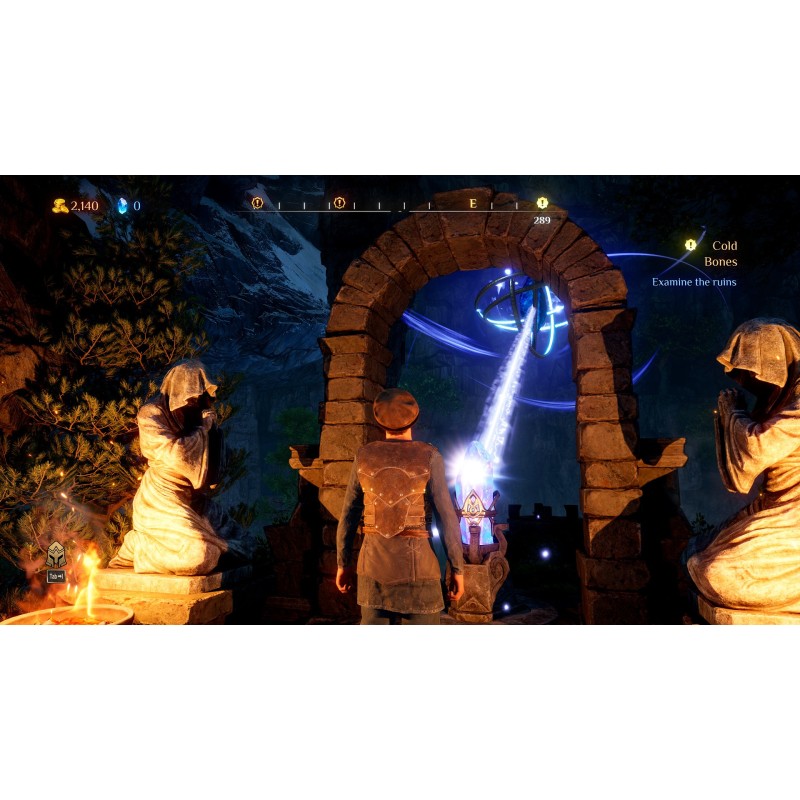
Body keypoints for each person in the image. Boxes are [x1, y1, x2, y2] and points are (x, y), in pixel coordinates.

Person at [687, 318, 800, 611]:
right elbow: (740, 478)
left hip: (793, 517)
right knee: (696, 550)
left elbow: (759, 448)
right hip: (774, 505)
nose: (744, 382)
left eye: (749, 371)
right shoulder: (781, 397)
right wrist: (732, 415)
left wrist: (734, 413)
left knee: (715, 573)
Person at [110, 360, 254, 576]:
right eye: (194, 397)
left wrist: (213, 433)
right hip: (161, 500)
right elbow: (174, 454)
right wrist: (202, 431)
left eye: (203, 398)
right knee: (200, 556)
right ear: (180, 392)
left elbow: (213, 473)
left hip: (193, 499)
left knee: (247, 546)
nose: (200, 404)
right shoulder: (151, 414)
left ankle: (213, 545)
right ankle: (138, 546)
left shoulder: (198, 417)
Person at [335, 388, 465, 624]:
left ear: (379, 420)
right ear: (414, 418)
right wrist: (457, 569)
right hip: (420, 577)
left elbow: (348, 515)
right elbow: (447, 519)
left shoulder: (363, 456)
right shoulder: (430, 456)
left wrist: (342, 564)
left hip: (372, 572)